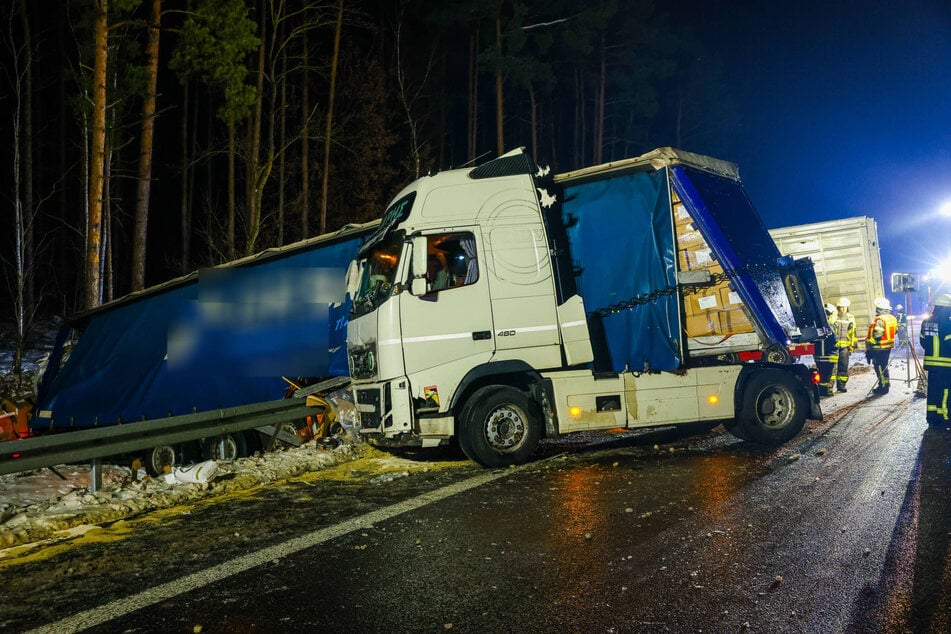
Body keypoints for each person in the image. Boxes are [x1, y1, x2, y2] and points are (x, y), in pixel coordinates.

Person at [920, 294, 951, 425]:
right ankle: (945, 418)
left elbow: (922, 341)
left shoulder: (926, 321)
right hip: (945, 364)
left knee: (933, 391)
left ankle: (932, 418)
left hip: (931, 364)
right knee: (945, 391)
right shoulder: (947, 323)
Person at [866, 297, 898, 394]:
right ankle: (885, 385)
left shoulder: (880, 319)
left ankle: (883, 387)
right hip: (887, 347)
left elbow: (878, 334)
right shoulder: (892, 318)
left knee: (879, 367)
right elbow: (895, 331)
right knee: (884, 366)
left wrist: (869, 343)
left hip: (878, 347)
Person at [813, 303, 839, 397]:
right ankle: (826, 391)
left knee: (822, 374)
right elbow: (834, 339)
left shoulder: (816, 325)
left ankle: (822, 391)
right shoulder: (829, 325)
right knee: (829, 374)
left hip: (819, 355)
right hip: (829, 355)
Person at [833, 296, 856, 392]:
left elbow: (853, 333)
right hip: (834, 347)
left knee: (843, 366)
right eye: (841, 307)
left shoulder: (851, 317)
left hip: (845, 347)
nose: (843, 309)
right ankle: (828, 388)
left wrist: (852, 345)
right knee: (832, 368)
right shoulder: (834, 316)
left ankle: (841, 386)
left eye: (845, 307)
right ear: (838, 307)